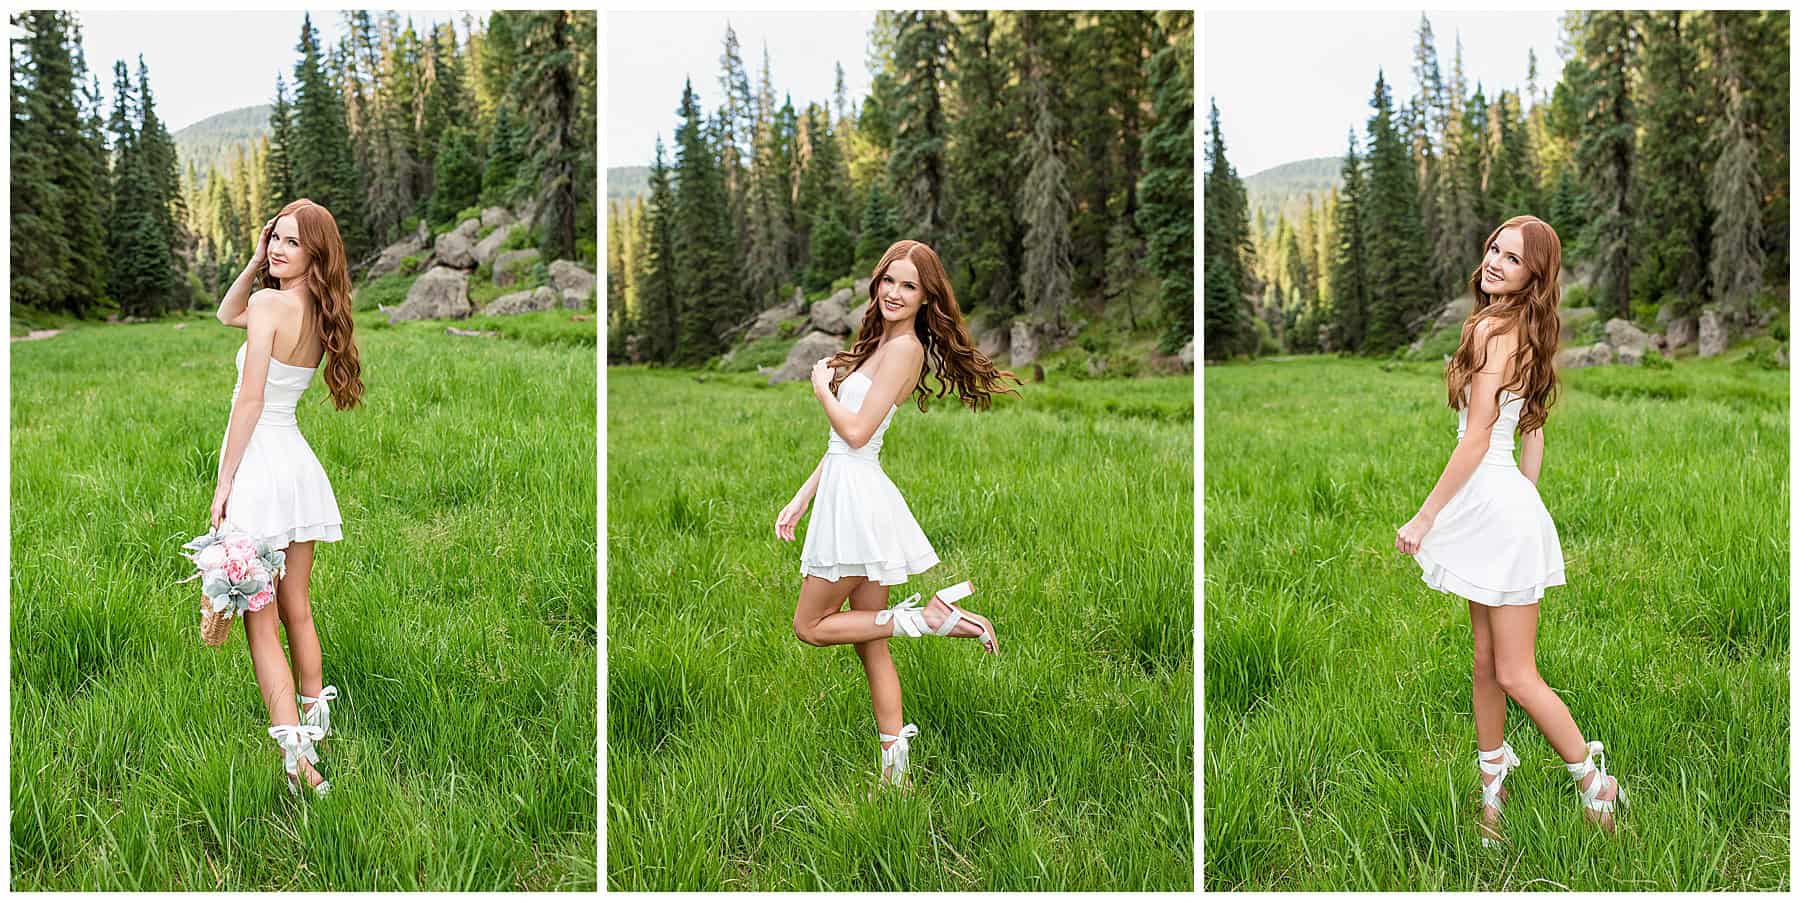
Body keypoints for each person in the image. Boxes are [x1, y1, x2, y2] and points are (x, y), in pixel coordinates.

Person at [1395, 214, 1625, 844]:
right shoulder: (1505, 324)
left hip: (1492, 506)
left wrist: (1427, 513)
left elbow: (1476, 438)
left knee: (1516, 672)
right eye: (1495, 247)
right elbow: (1532, 426)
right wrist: (1524, 489)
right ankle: (1493, 788)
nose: (1495, 260)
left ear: (1533, 275)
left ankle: (1594, 782)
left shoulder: (1500, 329)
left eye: (1513, 257)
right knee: (1484, 662)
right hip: (1495, 507)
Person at [775, 239, 1019, 789]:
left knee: (810, 627)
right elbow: (845, 447)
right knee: (870, 644)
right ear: (878, 281)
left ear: (926, 297)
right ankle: (896, 772)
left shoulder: (906, 349)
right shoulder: (879, 343)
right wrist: (804, 495)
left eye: (909, 285)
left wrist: (820, 388)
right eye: (890, 280)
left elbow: (857, 432)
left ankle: (925, 619)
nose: (894, 292)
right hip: (848, 490)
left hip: (859, 504)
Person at [213, 198, 363, 797]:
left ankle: (299, 762)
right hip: (297, 465)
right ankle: (315, 718)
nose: (277, 248)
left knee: (261, 619)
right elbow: (228, 313)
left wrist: (223, 483)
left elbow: (249, 403)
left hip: (261, 468)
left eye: (291, 243)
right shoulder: (315, 310)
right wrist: (256, 261)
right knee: (296, 599)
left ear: (315, 254)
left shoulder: (271, 304)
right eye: (274, 237)